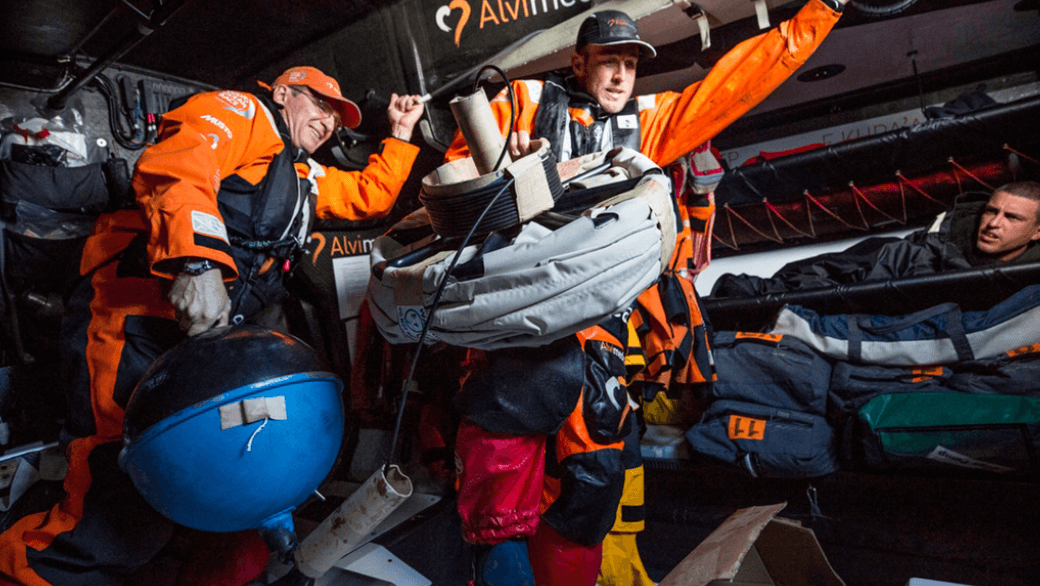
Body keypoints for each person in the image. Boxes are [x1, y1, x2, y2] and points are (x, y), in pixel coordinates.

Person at [442, 1, 848, 585]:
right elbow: (457, 189)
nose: (618, 77)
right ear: (579, 62)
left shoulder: (649, 123)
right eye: (608, 61)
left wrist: (821, 11)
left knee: (595, 473)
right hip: (519, 312)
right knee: (499, 458)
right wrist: (509, 167)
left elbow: (736, 83)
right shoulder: (524, 104)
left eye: (629, 65)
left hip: (599, 325)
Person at [0, 65, 424, 586]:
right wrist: (196, 263)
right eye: (321, 106)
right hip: (133, 316)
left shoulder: (301, 174)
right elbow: (180, 164)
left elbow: (368, 195)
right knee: (117, 502)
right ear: (285, 94)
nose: (329, 123)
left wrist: (400, 134)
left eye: (338, 120)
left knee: (198, 486)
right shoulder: (242, 113)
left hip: (199, 349)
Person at [710, 181, 1040, 298]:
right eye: (991, 211)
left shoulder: (1026, 285)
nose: (994, 223)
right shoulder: (925, 248)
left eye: (1012, 218)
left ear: (1037, 232)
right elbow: (838, 268)